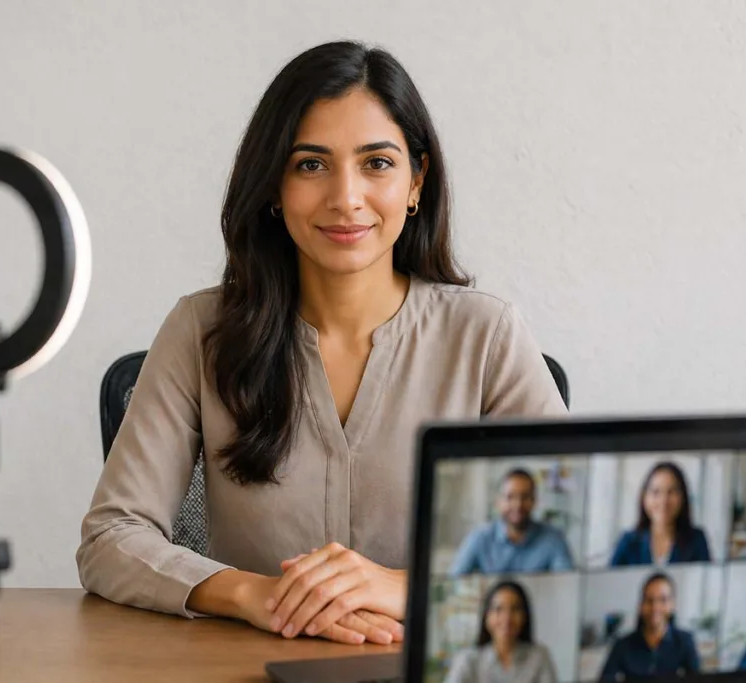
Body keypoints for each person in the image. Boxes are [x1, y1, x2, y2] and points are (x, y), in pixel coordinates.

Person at [76, 40, 567, 648]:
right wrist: (257, 595)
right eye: (311, 164)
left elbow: (569, 551)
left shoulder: (486, 337)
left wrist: (402, 587)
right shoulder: (200, 331)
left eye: (377, 163)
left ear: (416, 182)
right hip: (247, 666)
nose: (345, 197)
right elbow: (112, 537)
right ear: (274, 188)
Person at [449, 468, 574, 575]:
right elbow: (454, 580)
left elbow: (568, 584)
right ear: (499, 502)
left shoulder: (554, 539)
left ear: (534, 501)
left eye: (525, 497)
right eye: (510, 497)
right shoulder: (479, 538)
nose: (517, 505)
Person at [445, 581, 558, 683]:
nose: (507, 618)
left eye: (515, 609)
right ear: (486, 616)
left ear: (525, 616)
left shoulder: (539, 657)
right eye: (498, 609)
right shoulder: (468, 660)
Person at [599, 573, 701, 681]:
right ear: (641, 605)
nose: (655, 607)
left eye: (663, 600)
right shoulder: (622, 645)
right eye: (649, 600)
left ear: (672, 605)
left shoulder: (685, 641)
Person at [610, 462, 711, 566]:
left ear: (682, 498)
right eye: (655, 492)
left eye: (671, 492)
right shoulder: (628, 542)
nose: (663, 501)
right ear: (644, 498)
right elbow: (610, 580)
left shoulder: (697, 540)